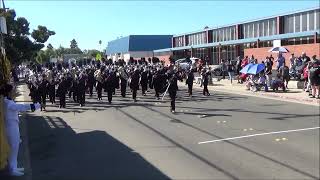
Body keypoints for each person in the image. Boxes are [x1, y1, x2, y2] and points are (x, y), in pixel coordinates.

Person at [1, 84, 40, 176]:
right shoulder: (8, 103)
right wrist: (35, 106)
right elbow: (22, 107)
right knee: (13, 148)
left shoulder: (7, 101)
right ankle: (12, 169)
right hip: (11, 128)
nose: (14, 91)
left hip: (13, 126)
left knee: (15, 147)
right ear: (9, 92)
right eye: (13, 90)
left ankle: (14, 167)